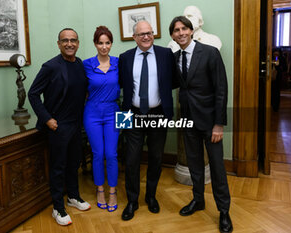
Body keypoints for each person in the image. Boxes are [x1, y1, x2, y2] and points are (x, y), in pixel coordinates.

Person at [169, 16, 233, 233]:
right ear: (172, 35)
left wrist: (218, 124)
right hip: (187, 121)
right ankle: (198, 200)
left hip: (209, 122)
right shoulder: (175, 57)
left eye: (184, 28)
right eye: (176, 30)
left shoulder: (210, 52)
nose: (181, 33)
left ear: (191, 30)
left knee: (217, 168)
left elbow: (221, 90)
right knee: (194, 165)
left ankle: (224, 211)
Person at [28, 28, 91, 226]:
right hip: (58, 126)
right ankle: (58, 207)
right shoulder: (50, 66)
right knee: (58, 168)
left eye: (73, 40)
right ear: (58, 44)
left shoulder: (79, 63)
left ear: (78, 43)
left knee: (74, 163)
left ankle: (73, 197)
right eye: (65, 40)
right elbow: (33, 94)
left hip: (76, 124)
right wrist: (47, 119)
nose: (69, 44)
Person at [119, 20, 175, 221]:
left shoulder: (165, 55)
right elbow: (120, 85)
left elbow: (174, 80)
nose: (146, 36)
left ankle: (151, 197)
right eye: (141, 33)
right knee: (131, 159)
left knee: (156, 158)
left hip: (158, 114)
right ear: (134, 37)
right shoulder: (124, 58)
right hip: (131, 114)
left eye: (149, 32)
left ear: (154, 34)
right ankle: (132, 201)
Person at [83, 26, 120, 212]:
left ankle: (112, 191)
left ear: (111, 44)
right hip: (92, 113)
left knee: (112, 153)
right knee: (98, 153)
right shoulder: (86, 64)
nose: (104, 47)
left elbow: (130, 88)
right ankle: (99, 189)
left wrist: (127, 120)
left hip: (115, 111)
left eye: (107, 43)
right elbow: (77, 89)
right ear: (95, 44)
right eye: (100, 43)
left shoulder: (119, 63)